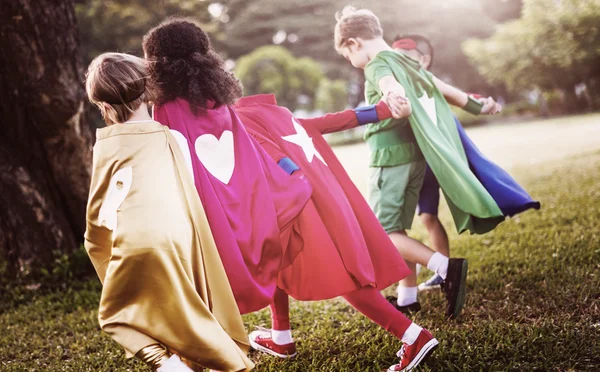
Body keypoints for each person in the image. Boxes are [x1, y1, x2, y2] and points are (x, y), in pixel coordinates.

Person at [235, 94, 439, 371]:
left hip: (303, 202)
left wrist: (294, 176)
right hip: (324, 198)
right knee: (274, 255)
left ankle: (413, 336)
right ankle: (281, 336)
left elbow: (270, 152)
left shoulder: (241, 119)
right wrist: (381, 110)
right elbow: (334, 121)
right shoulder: (279, 113)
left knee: (341, 277)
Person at [334, 5, 508, 325]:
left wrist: (395, 97)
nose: (351, 62)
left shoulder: (377, 63)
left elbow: (388, 84)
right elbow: (449, 93)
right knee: (398, 230)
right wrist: (481, 106)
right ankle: (408, 298)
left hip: (388, 159)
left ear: (354, 43)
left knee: (384, 233)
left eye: (347, 56)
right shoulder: (409, 61)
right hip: (414, 159)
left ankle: (445, 268)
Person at [83, 52, 254, 372]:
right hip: (181, 237)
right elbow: (190, 191)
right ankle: (208, 362)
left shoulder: (107, 144)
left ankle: (166, 364)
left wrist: (97, 246)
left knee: (116, 316)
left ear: (104, 106)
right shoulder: (170, 136)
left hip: (135, 240)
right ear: (148, 90)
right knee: (189, 306)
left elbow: (98, 210)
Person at [143, 18, 313, 315]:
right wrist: (289, 174)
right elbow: (251, 155)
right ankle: (276, 336)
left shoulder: (166, 109)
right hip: (245, 205)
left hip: (207, 213)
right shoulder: (218, 103)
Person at [392, 35, 541, 291]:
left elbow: (457, 96)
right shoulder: (396, 85)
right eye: (397, 59)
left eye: (408, 57)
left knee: (469, 192)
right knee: (427, 217)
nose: (402, 63)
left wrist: (481, 102)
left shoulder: (426, 79)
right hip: (422, 164)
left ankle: (442, 268)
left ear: (424, 61)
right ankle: (443, 271)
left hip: (443, 157)